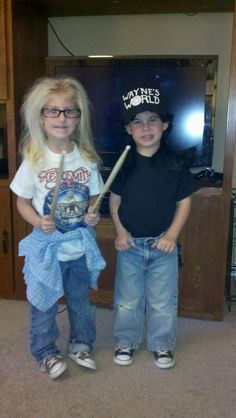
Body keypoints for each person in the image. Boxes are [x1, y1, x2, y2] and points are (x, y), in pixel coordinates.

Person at [10, 76, 106, 379]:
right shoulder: (34, 159)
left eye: (69, 111)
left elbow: (94, 199)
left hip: (77, 248)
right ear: (40, 116)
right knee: (44, 304)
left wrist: (93, 214)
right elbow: (21, 202)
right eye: (53, 111)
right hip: (48, 250)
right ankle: (45, 351)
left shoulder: (87, 159)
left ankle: (81, 343)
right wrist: (38, 221)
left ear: (79, 117)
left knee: (80, 302)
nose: (61, 118)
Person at [109, 84, 199, 369]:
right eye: (137, 121)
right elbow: (114, 200)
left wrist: (172, 235)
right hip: (130, 245)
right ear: (128, 129)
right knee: (127, 299)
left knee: (162, 300)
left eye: (153, 120)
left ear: (166, 124)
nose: (145, 127)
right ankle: (126, 341)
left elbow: (184, 202)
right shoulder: (123, 164)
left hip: (163, 244)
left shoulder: (175, 164)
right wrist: (120, 232)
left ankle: (161, 345)